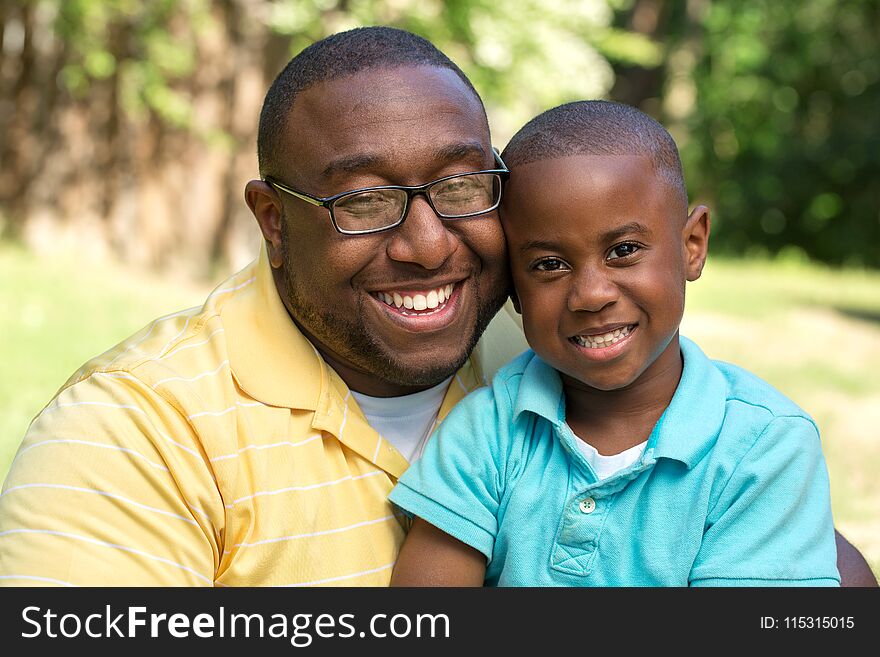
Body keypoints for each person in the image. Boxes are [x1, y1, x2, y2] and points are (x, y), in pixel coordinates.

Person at [0, 28, 874, 587]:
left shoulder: (536, 351)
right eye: (365, 199)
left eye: (461, 185)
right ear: (274, 221)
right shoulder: (128, 434)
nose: (426, 243)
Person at [389, 101, 842, 586]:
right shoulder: (489, 431)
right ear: (513, 289)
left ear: (692, 245)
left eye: (623, 251)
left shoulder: (763, 448)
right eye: (548, 265)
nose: (591, 295)